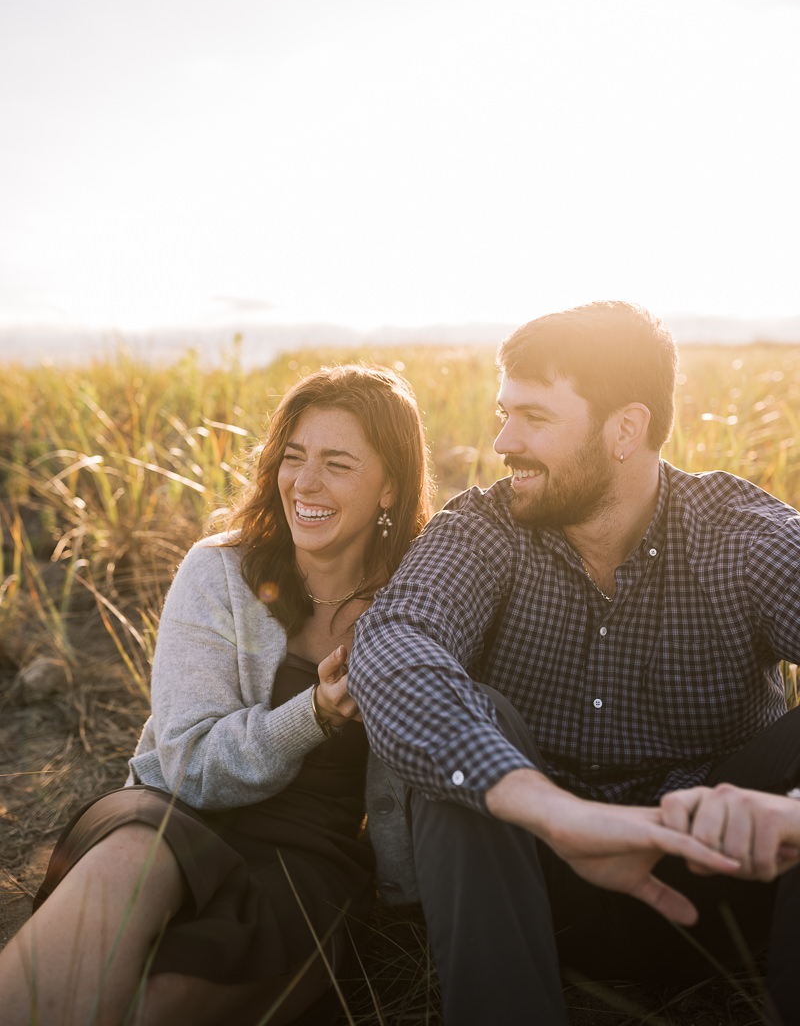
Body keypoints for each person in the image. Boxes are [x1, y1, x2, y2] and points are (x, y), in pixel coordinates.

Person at [349, 301, 800, 1026]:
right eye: (504, 413)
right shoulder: (483, 528)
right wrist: (556, 814)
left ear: (626, 429)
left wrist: (791, 812)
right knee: (462, 738)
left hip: (726, 873)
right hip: (541, 888)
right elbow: (396, 643)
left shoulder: (740, 534)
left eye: (533, 417)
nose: (502, 441)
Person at [0, 364, 432, 1026]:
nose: (304, 483)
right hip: (177, 811)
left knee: (155, 1007)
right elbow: (187, 764)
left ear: (390, 488)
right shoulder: (220, 571)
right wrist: (312, 716)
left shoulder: (422, 599)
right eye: (294, 457)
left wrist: (407, 904)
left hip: (307, 860)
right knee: (116, 879)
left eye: (337, 464)